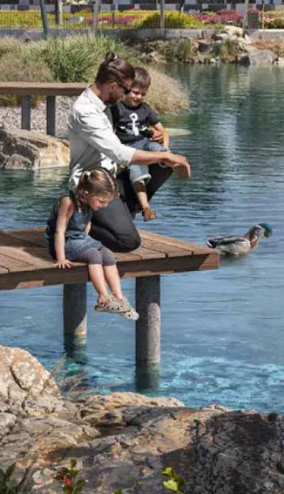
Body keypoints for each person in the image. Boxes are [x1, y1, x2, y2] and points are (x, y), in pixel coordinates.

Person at [67, 57, 190, 253]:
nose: (126, 95)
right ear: (113, 86)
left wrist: (150, 134)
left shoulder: (104, 103)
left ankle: (126, 210)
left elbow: (122, 134)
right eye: (126, 90)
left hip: (115, 176)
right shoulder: (86, 112)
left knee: (163, 167)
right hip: (93, 185)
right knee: (128, 242)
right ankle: (75, 223)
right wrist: (165, 156)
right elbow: (119, 152)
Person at [47, 169, 140, 320]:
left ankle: (118, 298)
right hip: (64, 242)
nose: (103, 206)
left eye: (106, 202)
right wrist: (61, 258)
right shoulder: (68, 201)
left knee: (108, 255)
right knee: (94, 255)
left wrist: (88, 240)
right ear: (86, 193)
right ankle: (103, 298)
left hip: (80, 239)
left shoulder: (89, 203)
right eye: (102, 201)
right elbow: (59, 231)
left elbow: (86, 225)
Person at [113, 66, 170, 221]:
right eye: (135, 92)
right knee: (137, 173)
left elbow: (163, 131)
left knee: (160, 150)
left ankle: (169, 162)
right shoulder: (117, 109)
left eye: (143, 94)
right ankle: (146, 207)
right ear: (126, 90)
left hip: (144, 143)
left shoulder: (145, 109)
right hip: (129, 149)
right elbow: (110, 134)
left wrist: (164, 146)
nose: (138, 97)